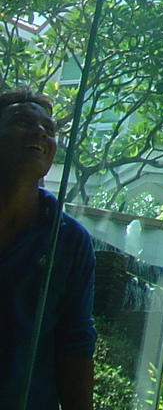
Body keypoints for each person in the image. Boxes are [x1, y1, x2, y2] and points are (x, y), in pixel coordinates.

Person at [0, 89, 96, 410]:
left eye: (49, 129)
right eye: (21, 121)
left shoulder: (69, 240)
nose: (40, 132)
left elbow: (75, 345)